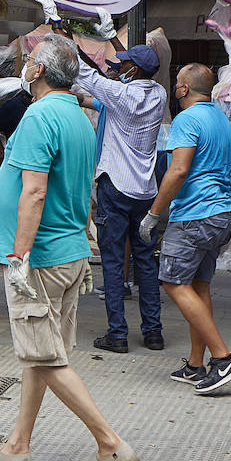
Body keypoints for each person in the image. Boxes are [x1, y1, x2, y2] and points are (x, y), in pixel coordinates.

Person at [0, 34, 138, 461]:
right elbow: (79, 187)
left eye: (27, 61)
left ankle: (110, 443)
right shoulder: (78, 118)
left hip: (41, 257)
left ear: (39, 71)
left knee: (45, 357)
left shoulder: (39, 116)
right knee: (43, 354)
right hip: (67, 252)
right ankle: (18, 447)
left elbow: (34, 191)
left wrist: (19, 256)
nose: (23, 67)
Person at [139, 63, 231, 395]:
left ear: (183, 89)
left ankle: (223, 357)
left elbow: (178, 170)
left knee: (172, 282)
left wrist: (154, 214)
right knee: (198, 287)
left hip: (193, 216)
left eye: (177, 85)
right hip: (220, 214)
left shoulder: (186, 119)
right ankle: (196, 364)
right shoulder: (220, 119)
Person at [74, 43, 165, 354]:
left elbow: (85, 73)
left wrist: (58, 29)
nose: (119, 67)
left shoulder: (121, 94)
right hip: (146, 191)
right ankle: (153, 333)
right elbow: (100, 93)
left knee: (113, 264)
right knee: (146, 263)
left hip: (115, 188)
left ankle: (118, 334)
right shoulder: (159, 94)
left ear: (134, 71)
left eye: (125, 64)